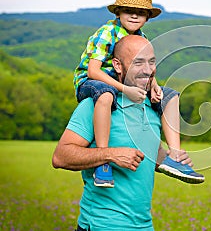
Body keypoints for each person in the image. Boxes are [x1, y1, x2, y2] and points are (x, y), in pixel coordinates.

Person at [53, 35, 194, 231]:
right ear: (118, 66)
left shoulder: (153, 106)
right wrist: (110, 154)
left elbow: (148, 151)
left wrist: (171, 159)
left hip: (144, 225)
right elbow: (60, 157)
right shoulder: (97, 104)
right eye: (138, 62)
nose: (147, 69)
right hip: (102, 224)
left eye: (151, 62)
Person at [73, 0, 204, 187]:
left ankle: (175, 157)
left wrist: (154, 85)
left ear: (147, 17)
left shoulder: (141, 38)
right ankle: (103, 161)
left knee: (170, 97)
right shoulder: (107, 32)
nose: (134, 16)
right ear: (118, 12)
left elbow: (147, 67)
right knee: (106, 95)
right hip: (94, 81)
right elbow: (93, 71)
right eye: (129, 11)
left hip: (127, 81)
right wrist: (125, 90)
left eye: (140, 13)